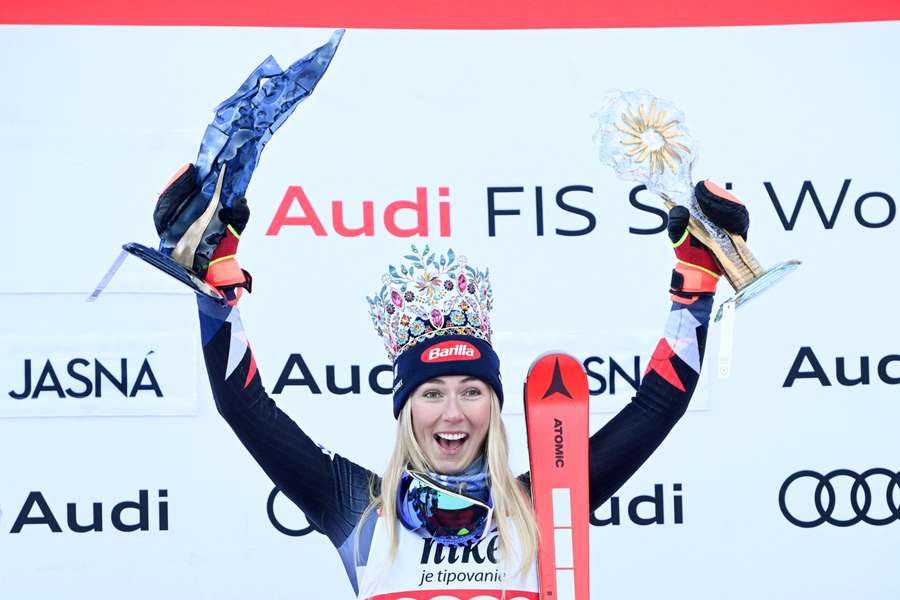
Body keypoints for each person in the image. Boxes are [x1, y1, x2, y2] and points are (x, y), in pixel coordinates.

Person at [154, 165, 750, 599]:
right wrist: (217, 283)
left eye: (471, 391)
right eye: (432, 393)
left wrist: (694, 283)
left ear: (494, 404)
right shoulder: (358, 507)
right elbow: (245, 407)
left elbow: (656, 406)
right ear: (406, 407)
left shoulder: (546, 502)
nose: (452, 413)